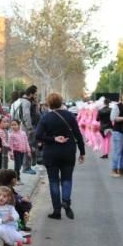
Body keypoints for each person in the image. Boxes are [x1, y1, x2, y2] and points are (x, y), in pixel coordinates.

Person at [35, 92, 85, 220]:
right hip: (68, 151)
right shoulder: (69, 116)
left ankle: (56, 210)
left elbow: (38, 135)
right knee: (67, 178)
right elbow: (78, 134)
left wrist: (53, 139)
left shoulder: (46, 117)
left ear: (49, 104)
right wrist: (82, 152)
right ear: (61, 102)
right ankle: (66, 201)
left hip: (51, 152)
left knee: (53, 180)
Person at [109, 91, 123, 176]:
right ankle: (114, 170)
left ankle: (121, 169)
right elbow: (113, 118)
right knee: (117, 151)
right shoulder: (117, 106)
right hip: (118, 132)